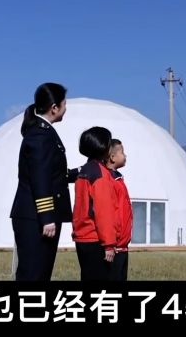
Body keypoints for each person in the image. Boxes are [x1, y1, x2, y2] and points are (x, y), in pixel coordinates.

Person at [9, 82, 78, 281]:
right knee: (33, 274)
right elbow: (40, 177)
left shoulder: (43, 132)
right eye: (64, 104)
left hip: (36, 215)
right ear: (54, 107)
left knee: (40, 273)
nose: (66, 109)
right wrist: (47, 217)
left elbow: (52, 174)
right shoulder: (40, 135)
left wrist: (79, 173)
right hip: (35, 218)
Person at [71, 126, 118, 282]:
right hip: (95, 238)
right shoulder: (100, 174)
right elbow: (103, 211)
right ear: (103, 146)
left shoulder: (84, 171)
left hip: (82, 237)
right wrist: (109, 243)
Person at [106, 139, 133, 281]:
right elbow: (110, 213)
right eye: (122, 152)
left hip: (122, 245)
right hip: (115, 245)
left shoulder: (118, 179)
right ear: (112, 157)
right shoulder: (109, 181)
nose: (125, 155)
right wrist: (111, 242)